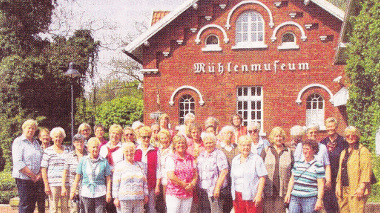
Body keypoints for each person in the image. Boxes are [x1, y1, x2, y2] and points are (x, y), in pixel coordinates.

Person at [70, 137, 112, 213]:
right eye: (93, 147)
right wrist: (73, 191)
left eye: (97, 147)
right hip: (86, 192)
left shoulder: (104, 161)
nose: (95, 149)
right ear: (88, 148)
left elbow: (108, 179)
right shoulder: (83, 160)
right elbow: (77, 177)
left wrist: (108, 193)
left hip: (100, 192)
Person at [12, 119, 45, 213]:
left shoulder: (36, 143)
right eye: (29, 128)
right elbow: (18, 162)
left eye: (33, 128)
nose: (31, 130)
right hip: (24, 179)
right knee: (25, 205)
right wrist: (33, 176)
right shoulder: (18, 142)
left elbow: (41, 159)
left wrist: (39, 174)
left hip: (35, 180)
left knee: (32, 205)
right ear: (23, 128)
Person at [335, 126, 371, 213]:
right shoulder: (344, 152)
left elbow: (366, 170)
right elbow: (340, 170)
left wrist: (362, 187)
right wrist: (337, 185)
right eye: (348, 136)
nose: (350, 137)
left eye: (353, 135)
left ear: (357, 136)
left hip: (356, 188)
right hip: (343, 188)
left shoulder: (362, 151)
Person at [285, 139, 325, 213]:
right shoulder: (297, 163)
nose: (304, 151)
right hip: (295, 198)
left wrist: (319, 200)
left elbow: (321, 184)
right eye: (303, 148)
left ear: (314, 150)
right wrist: (288, 193)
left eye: (307, 149)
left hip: (310, 199)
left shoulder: (318, 166)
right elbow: (292, 180)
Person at [231, 135, 267, 213]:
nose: (246, 147)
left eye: (248, 145)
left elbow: (262, 177)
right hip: (237, 195)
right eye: (243, 145)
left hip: (252, 196)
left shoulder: (257, 159)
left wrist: (259, 194)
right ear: (239, 146)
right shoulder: (235, 160)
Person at [261, 127, 293, 213]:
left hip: (282, 192)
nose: (278, 138)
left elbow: (293, 174)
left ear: (283, 138)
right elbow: (260, 171)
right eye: (276, 136)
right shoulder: (266, 150)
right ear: (272, 138)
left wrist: (289, 192)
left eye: (280, 136)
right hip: (267, 191)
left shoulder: (289, 152)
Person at [320, 117, 348, 213]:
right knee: (328, 205)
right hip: (327, 179)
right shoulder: (323, 143)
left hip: (339, 178)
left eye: (332, 126)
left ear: (336, 127)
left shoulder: (343, 142)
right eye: (328, 126)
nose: (330, 128)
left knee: (340, 205)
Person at [294, 124, 332, 194]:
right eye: (311, 132)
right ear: (307, 134)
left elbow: (327, 165)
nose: (313, 134)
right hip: (303, 182)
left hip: (318, 182)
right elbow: (295, 165)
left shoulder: (323, 147)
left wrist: (328, 181)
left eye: (315, 132)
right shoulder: (300, 146)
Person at [41, 127, 71, 213]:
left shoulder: (68, 150)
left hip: (66, 184)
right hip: (53, 184)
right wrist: (46, 185)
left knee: (65, 208)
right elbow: (43, 169)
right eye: (56, 137)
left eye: (60, 136)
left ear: (63, 138)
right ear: (52, 138)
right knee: (53, 209)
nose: (58, 139)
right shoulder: (47, 151)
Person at [113, 142, 149, 213]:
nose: (129, 153)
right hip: (124, 199)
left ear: (134, 152)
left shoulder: (141, 165)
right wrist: (116, 198)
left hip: (139, 198)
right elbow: (115, 183)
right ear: (123, 152)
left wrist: (146, 195)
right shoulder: (119, 166)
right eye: (126, 151)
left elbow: (145, 182)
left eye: (131, 151)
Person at [165, 134, 198, 213]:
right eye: (178, 143)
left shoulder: (190, 158)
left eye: (182, 143)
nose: (181, 145)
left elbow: (195, 174)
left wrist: (192, 184)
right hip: (174, 194)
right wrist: (183, 184)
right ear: (174, 145)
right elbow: (171, 175)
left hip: (188, 193)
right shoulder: (171, 158)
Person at [197, 133, 228, 213]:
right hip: (203, 190)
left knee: (216, 211)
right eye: (206, 143)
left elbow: (224, 171)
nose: (208, 145)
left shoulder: (219, 154)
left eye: (210, 143)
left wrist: (217, 188)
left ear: (214, 143)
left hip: (215, 191)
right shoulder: (202, 155)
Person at [134, 126, 161, 213]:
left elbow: (158, 169)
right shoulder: (135, 150)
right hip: (137, 184)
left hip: (151, 184)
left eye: (148, 137)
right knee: (139, 208)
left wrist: (157, 185)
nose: (146, 139)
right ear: (140, 137)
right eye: (143, 137)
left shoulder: (156, 150)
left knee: (151, 207)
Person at [100, 124, 124, 213]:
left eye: (117, 134)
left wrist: (116, 170)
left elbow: (125, 164)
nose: (114, 136)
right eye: (113, 133)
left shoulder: (123, 148)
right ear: (109, 134)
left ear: (120, 135)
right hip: (104, 180)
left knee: (117, 204)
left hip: (118, 180)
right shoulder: (103, 148)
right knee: (107, 205)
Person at [61, 134, 87, 213]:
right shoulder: (69, 156)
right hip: (74, 188)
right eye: (77, 142)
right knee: (74, 209)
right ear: (74, 143)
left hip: (86, 187)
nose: (79, 144)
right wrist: (63, 186)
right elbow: (65, 172)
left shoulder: (88, 155)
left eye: (81, 142)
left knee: (85, 209)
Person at [216, 125, 239, 213]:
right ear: (222, 135)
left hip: (235, 182)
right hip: (223, 183)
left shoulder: (237, 148)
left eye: (230, 133)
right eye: (226, 133)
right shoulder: (218, 148)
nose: (228, 135)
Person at [157, 129, 173, 213]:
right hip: (161, 179)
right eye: (162, 138)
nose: (164, 140)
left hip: (170, 179)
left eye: (165, 138)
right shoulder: (158, 150)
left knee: (170, 202)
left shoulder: (172, 150)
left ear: (169, 138)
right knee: (163, 203)